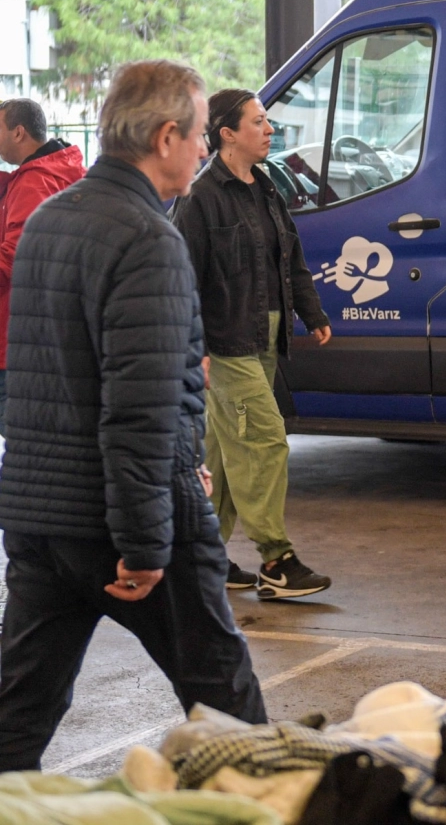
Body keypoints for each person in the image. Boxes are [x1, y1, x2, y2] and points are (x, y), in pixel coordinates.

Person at [0, 60, 267, 770]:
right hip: (125, 523)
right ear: (166, 135)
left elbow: (42, 376)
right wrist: (147, 542)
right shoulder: (149, 239)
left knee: (16, 717)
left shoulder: (52, 219)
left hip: (40, 517)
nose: (207, 148)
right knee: (230, 715)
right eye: (200, 133)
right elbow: (137, 409)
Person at [172, 90, 334, 600]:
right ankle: (275, 560)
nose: (269, 130)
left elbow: (291, 260)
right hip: (224, 342)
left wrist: (312, 313)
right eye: (259, 122)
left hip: (266, 333)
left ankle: (203, 559)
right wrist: (189, 344)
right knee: (264, 440)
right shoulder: (200, 198)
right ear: (227, 133)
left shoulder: (265, 188)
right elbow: (182, 278)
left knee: (222, 451)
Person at [0, 98, 85, 436]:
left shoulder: (35, 182)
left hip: (20, 335)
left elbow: (15, 259)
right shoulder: (63, 169)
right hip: (51, 329)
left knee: (25, 439)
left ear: (18, 132)